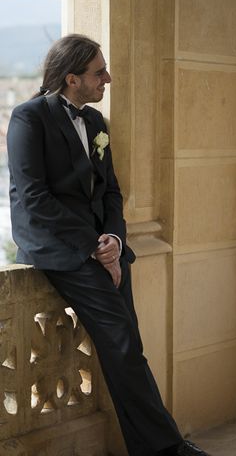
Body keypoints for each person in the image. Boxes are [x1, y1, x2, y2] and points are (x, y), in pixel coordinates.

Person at [7, 34, 210, 456]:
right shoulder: (29, 118)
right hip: (59, 249)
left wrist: (115, 239)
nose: (109, 79)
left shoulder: (96, 123)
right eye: (99, 72)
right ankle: (166, 449)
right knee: (122, 343)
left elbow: (111, 193)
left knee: (127, 345)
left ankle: (151, 446)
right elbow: (33, 199)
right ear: (71, 78)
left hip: (101, 247)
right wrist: (94, 246)